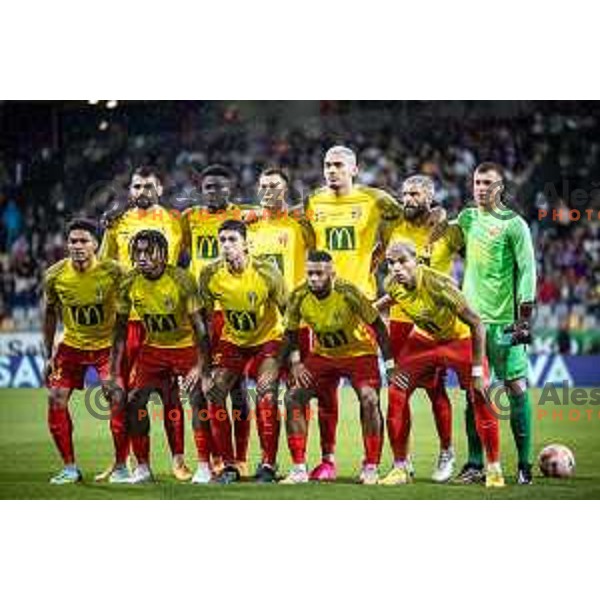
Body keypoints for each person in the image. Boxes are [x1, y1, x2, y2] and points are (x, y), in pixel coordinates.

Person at [435, 162, 537, 484]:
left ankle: (524, 464)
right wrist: (435, 216)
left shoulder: (514, 225)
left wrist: (524, 319)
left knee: (515, 386)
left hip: (506, 321)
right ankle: (476, 463)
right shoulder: (467, 218)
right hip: (472, 321)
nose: (481, 188)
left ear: (500, 187)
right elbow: (442, 231)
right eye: (477, 182)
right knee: (474, 391)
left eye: (488, 183)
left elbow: (528, 270)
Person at [381, 241, 504, 488]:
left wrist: (478, 370)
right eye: (391, 263)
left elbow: (477, 323)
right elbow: (387, 301)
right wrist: (368, 309)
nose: (396, 267)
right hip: (424, 341)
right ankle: (399, 467)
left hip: (460, 340)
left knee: (481, 394)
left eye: (402, 261)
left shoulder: (440, 284)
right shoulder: (392, 284)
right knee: (396, 391)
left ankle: (493, 468)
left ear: (417, 260)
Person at [98, 165, 191, 481]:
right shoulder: (117, 223)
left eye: (148, 186)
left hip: (163, 323)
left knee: (170, 397)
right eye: (136, 186)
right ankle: (124, 462)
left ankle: (178, 460)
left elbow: (185, 260)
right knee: (122, 396)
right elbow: (104, 263)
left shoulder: (176, 222)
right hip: (128, 321)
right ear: (130, 190)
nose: (141, 192)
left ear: (160, 189)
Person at [279, 250, 400, 485]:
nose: (313, 279)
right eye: (310, 273)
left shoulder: (348, 292)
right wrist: (295, 363)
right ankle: (299, 469)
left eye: (319, 274)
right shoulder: (299, 295)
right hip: (323, 355)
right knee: (293, 397)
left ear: (331, 273)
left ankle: (371, 466)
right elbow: (291, 331)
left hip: (359, 354)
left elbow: (379, 327)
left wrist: (390, 365)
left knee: (370, 399)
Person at [110, 230, 209, 484]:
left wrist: (200, 365)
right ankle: (143, 467)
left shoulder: (182, 279)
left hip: (185, 346)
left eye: (148, 251)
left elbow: (200, 328)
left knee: (197, 398)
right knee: (133, 401)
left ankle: (204, 465)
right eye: (138, 252)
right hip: (153, 349)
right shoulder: (128, 282)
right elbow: (119, 330)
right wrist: (113, 372)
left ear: (163, 255)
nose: (141, 257)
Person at [376, 175, 456, 482]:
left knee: (435, 391)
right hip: (399, 321)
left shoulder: (446, 229)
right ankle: (402, 460)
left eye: (415, 194)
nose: (407, 199)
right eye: (404, 194)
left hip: (432, 325)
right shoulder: (392, 226)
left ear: (430, 197)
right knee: (398, 392)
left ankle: (447, 452)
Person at [199, 219, 287, 484]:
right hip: (233, 341)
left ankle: (268, 464)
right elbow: (203, 323)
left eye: (232, 240)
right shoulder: (209, 274)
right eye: (222, 240)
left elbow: (289, 315)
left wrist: (291, 357)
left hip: (268, 339)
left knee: (266, 392)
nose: (226, 245)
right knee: (214, 392)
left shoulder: (267, 271)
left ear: (246, 243)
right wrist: (204, 370)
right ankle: (229, 465)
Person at [181, 164, 251, 476]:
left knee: (235, 391)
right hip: (199, 310)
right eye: (208, 187)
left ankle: (240, 458)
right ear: (201, 188)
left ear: (231, 188)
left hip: (231, 309)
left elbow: (282, 211)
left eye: (220, 187)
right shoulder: (189, 218)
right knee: (199, 389)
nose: (214, 192)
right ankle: (206, 461)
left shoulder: (246, 215)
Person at [43, 218, 124, 484]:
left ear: (95, 245)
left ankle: (122, 466)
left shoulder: (113, 271)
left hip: (106, 347)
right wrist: (48, 355)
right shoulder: (54, 275)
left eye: (84, 241)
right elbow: (50, 315)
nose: (77, 246)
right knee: (56, 398)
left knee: (117, 397)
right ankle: (69, 467)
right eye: (73, 241)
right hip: (72, 347)